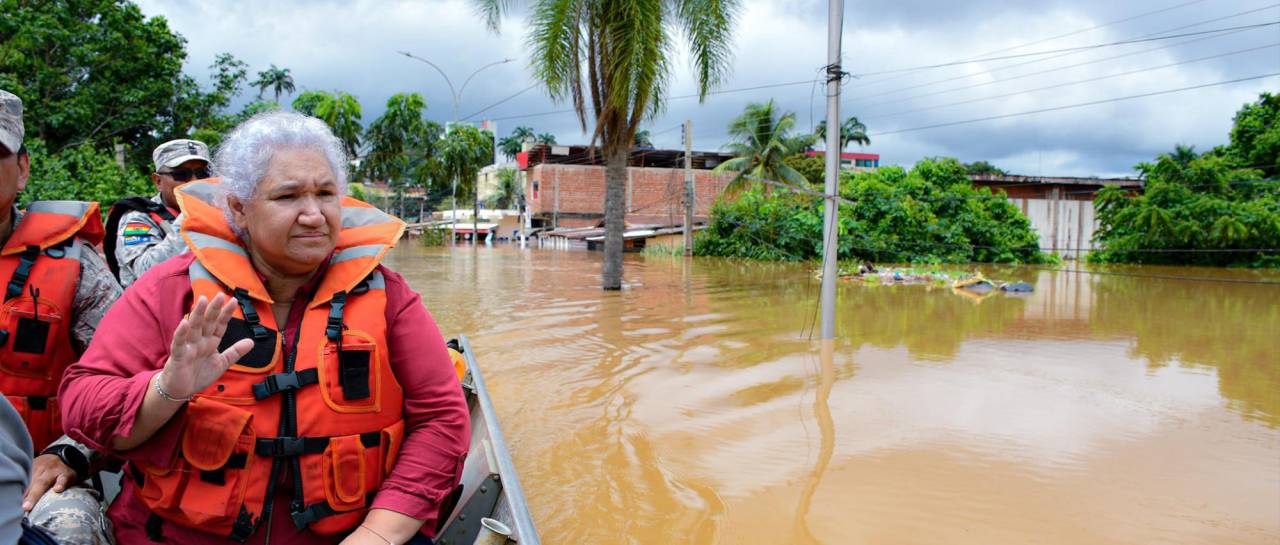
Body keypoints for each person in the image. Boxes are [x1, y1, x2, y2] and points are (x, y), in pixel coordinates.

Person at [60, 112, 470, 545]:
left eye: (326, 194)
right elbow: (83, 404)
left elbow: (441, 418)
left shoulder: (389, 296)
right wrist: (167, 389)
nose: (313, 215)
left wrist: (378, 534)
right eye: (288, 196)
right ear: (238, 206)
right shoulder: (169, 289)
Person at [0, 89, 119, 545]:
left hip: (38, 468)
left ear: (23, 168)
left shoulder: (76, 266)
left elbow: (124, 380)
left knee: (73, 530)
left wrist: (73, 453)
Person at [104, 139, 211, 287]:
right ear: (158, 181)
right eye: (181, 174)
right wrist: (189, 216)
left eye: (202, 173)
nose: (194, 181)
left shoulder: (219, 210)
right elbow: (144, 270)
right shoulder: (137, 219)